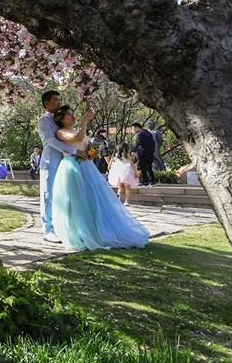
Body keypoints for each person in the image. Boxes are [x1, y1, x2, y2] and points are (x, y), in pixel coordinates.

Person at [50, 105, 149, 251]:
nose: (72, 116)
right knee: (77, 200)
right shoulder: (60, 132)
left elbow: (88, 146)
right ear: (61, 118)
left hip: (86, 166)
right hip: (72, 167)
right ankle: (81, 231)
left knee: (92, 197)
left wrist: (92, 152)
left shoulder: (75, 130)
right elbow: (77, 138)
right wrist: (84, 121)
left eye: (72, 113)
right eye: (68, 114)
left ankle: (97, 229)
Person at [37, 90, 84, 243]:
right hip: (50, 161)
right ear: (47, 103)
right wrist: (73, 151)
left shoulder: (59, 119)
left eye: (59, 100)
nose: (59, 103)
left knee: (63, 194)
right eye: (55, 100)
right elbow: (50, 140)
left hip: (66, 161)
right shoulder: (44, 120)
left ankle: (63, 226)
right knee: (48, 193)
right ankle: (48, 229)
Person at [133, 122, 156, 186]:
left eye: (133, 128)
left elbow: (138, 143)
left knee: (143, 168)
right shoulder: (148, 133)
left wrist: (133, 151)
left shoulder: (140, 134)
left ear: (137, 127)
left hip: (143, 153)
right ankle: (153, 180)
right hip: (151, 153)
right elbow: (153, 143)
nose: (133, 130)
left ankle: (145, 181)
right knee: (149, 167)